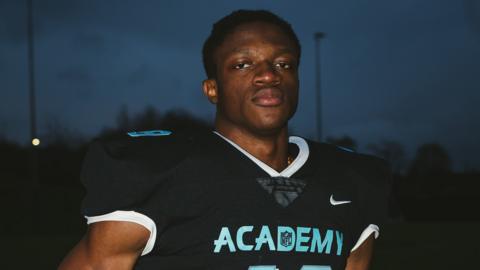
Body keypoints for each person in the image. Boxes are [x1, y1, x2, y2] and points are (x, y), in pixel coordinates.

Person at [60, 9, 390, 270]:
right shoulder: (158, 172)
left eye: (283, 64)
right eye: (242, 64)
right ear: (212, 89)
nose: (268, 74)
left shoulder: (351, 180)